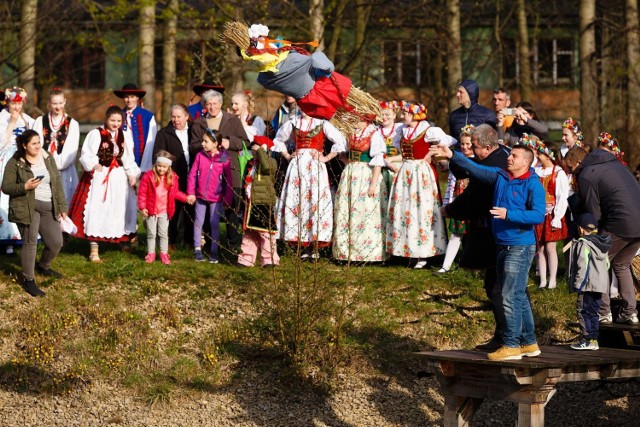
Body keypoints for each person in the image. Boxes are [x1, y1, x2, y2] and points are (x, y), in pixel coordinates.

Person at [432, 142, 545, 361]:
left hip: (519, 246)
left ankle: (511, 345)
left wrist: (509, 214)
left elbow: (538, 216)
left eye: (513, 155)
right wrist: (452, 155)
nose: (508, 158)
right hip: (502, 244)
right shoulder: (501, 176)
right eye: (510, 155)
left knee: (508, 295)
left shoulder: (533, 185)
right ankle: (529, 343)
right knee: (518, 295)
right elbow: (478, 170)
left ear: (525, 162)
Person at [444, 124, 510, 351]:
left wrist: (451, 210)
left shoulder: (497, 164)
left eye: (475, 147)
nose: (472, 151)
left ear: (488, 146)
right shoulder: (500, 155)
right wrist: (450, 162)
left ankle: (508, 339)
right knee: (501, 286)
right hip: (501, 234)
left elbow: (476, 192)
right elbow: (470, 169)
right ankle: (510, 336)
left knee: (499, 288)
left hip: (502, 235)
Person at [564, 142, 640, 325]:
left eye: (569, 169)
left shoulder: (587, 175)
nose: (571, 174)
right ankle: (630, 312)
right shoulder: (616, 165)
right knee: (621, 264)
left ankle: (603, 311)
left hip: (620, 224)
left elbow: (593, 214)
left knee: (598, 262)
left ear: (576, 163)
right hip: (638, 225)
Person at [386, 101, 455, 268]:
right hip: (406, 173)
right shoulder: (402, 130)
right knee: (405, 210)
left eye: (405, 113)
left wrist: (434, 151)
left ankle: (424, 253)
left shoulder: (428, 130)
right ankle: (405, 249)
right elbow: (399, 150)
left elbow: (450, 140)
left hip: (422, 173)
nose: (402, 116)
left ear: (414, 115)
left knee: (422, 211)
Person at [67, 106, 140, 262]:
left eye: (119, 121)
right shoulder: (96, 134)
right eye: (112, 120)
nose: (115, 124)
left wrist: (131, 174)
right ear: (106, 119)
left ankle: (120, 239)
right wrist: (93, 164)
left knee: (118, 210)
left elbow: (128, 158)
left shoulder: (124, 135)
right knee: (97, 209)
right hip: (100, 177)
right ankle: (94, 249)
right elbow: (87, 153)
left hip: (118, 178)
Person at [271, 111, 346, 258]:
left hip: (315, 167)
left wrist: (326, 157)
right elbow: (278, 140)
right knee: (299, 201)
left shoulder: (322, 123)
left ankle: (315, 246)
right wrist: (287, 155)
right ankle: (302, 245)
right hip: (297, 167)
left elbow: (340, 141)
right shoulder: (293, 122)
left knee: (315, 201)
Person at [1, 130, 67, 297]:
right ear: (24, 145)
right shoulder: (15, 162)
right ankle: (29, 280)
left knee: (56, 242)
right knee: (30, 243)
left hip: (48, 206)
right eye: (34, 143)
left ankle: (43, 266)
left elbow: (57, 182)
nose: (38, 146)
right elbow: (6, 187)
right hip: (26, 206)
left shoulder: (47, 157)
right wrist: (24, 186)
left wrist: (62, 206)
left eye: (39, 142)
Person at [191, 89, 249, 253]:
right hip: (207, 173)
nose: (212, 107)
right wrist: (206, 146)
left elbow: (245, 142)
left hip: (230, 170)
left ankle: (233, 244)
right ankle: (210, 244)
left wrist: (228, 142)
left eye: (215, 103)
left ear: (221, 104)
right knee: (209, 207)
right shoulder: (199, 123)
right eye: (208, 104)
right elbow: (193, 146)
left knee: (231, 208)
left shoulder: (232, 120)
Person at [333, 116, 388, 262]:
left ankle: (369, 253)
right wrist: (347, 161)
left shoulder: (374, 134)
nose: (355, 122)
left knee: (365, 211)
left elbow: (378, 161)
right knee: (347, 210)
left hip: (366, 174)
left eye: (358, 119)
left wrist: (373, 184)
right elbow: (341, 151)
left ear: (366, 121)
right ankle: (346, 252)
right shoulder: (351, 133)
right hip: (351, 174)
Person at [138, 151, 194, 265]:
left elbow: (176, 193)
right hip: (151, 210)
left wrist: (186, 198)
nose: (161, 169)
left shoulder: (172, 177)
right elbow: (142, 193)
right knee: (151, 233)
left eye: (164, 167)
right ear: (155, 165)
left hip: (164, 211)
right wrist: (143, 207)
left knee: (163, 234)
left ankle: (164, 253)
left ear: (168, 167)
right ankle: (151, 253)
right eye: (159, 166)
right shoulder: (148, 177)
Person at [187, 129, 233, 263]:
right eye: (202, 141)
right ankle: (197, 249)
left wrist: (227, 198)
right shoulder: (200, 156)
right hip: (200, 196)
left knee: (214, 223)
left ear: (215, 143)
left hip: (216, 197)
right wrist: (191, 192)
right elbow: (192, 174)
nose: (202, 144)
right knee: (198, 222)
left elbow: (228, 181)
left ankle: (214, 250)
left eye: (206, 141)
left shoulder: (224, 160)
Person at [153, 103, 196, 247]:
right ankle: (169, 241)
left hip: (192, 177)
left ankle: (189, 241)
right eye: (173, 117)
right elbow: (157, 155)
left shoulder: (195, 131)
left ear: (186, 117)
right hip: (173, 178)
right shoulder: (164, 133)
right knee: (172, 211)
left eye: (179, 117)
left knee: (191, 210)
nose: (176, 120)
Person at [568, 213, 612, 351]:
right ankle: (594, 339)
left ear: (581, 229)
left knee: (583, 311)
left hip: (586, 285)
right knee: (594, 312)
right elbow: (607, 265)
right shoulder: (601, 244)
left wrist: (578, 284)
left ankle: (586, 339)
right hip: (599, 285)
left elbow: (583, 266)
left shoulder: (583, 244)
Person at [0, 87, 35, 255]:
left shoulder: (28, 120)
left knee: (24, 195)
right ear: (8, 102)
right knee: (7, 197)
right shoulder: (2, 118)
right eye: (13, 103)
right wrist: (12, 123)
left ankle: (24, 235)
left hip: (25, 160)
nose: (16, 107)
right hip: (7, 160)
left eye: (19, 103)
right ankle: (7, 239)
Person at [237, 137, 280, 267]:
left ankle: (269, 259)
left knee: (266, 232)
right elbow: (245, 179)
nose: (254, 151)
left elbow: (266, 167)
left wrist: (261, 152)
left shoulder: (271, 162)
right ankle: (246, 259)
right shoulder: (251, 164)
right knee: (249, 232)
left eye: (257, 148)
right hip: (250, 202)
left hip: (263, 202)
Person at [531, 139, 568, 290]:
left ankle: (552, 280)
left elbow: (562, 196)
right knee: (540, 248)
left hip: (551, 215)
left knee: (551, 248)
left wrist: (558, 216)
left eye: (540, 153)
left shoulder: (558, 173)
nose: (538, 156)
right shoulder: (536, 170)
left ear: (548, 155)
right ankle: (543, 280)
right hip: (538, 213)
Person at [33, 87, 80, 206]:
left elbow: (71, 150)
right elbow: (35, 145)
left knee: (64, 203)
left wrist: (57, 165)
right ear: (49, 103)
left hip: (64, 171)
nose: (58, 107)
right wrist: (45, 163)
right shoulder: (40, 121)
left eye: (60, 103)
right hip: (43, 168)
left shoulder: (72, 124)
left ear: (65, 101)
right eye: (54, 103)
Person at [438, 125, 475, 274]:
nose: (465, 147)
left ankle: (471, 265)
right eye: (463, 144)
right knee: (456, 234)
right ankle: (445, 266)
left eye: (468, 144)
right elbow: (452, 182)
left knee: (472, 234)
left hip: (472, 202)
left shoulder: (478, 161)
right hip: (458, 200)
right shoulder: (457, 158)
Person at [114, 83, 157, 172]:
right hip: (120, 163)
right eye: (126, 97)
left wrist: (145, 168)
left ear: (137, 97)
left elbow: (151, 143)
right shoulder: (117, 115)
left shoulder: (148, 116)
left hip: (141, 162)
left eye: (132, 97)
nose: (129, 100)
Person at [448, 79, 497, 144]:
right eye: (457, 91)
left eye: (461, 92)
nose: (457, 94)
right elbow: (453, 140)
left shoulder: (488, 115)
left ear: (470, 94)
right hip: (458, 153)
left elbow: (493, 142)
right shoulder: (454, 116)